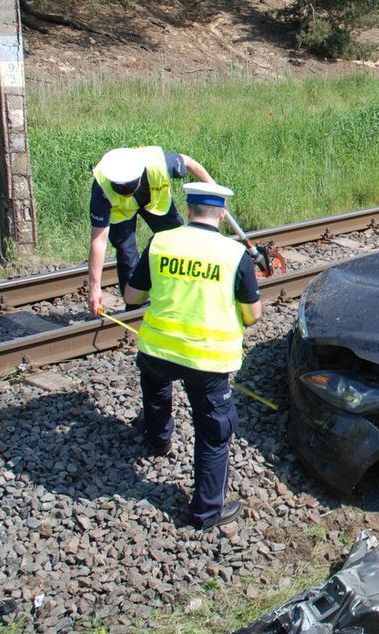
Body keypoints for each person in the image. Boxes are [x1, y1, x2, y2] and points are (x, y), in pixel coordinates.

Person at [123, 182, 262, 530]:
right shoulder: (234, 255)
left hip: (158, 348)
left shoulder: (160, 242)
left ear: (188, 211)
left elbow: (133, 296)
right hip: (207, 360)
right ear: (221, 214)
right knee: (214, 432)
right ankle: (205, 512)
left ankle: (157, 440)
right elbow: (253, 315)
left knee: (156, 388)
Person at [88, 146, 215, 316]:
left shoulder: (159, 164)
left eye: (129, 190)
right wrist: (95, 288)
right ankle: (134, 307)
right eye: (121, 191)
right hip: (121, 212)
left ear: (139, 178)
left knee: (178, 244)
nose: (126, 194)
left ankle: (185, 292)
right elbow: (98, 241)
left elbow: (190, 163)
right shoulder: (102, 186)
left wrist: (214, 189)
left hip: (156, 203)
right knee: (126, 252)